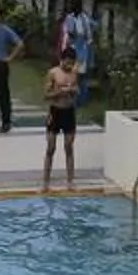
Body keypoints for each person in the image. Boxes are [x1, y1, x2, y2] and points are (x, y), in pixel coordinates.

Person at [41, 49, 83, 193]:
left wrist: (74, 90)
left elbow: (78, 91)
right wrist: (60, 92)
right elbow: (45, 95)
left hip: (69, 112)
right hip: (55, 112)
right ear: (62, 59)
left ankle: (70, 181)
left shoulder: (74, 73)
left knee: (69, 147)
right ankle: (45, 182)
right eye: (67, 63)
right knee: (51, 148)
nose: (69, 66)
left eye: (72, 64)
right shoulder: (53, 73)